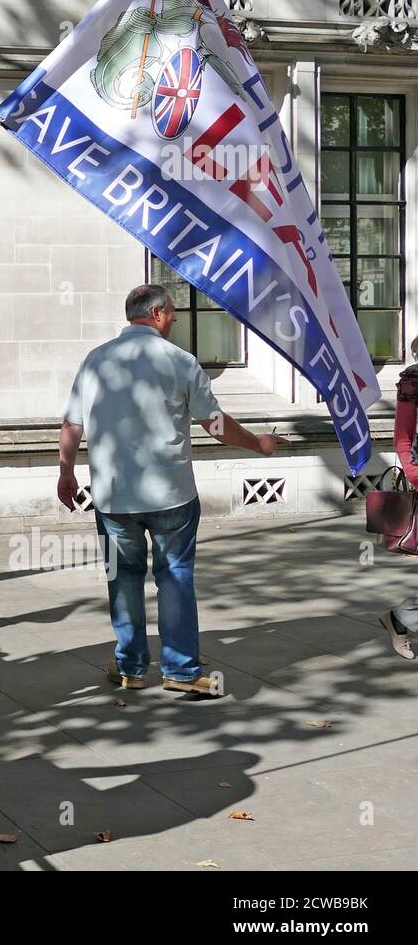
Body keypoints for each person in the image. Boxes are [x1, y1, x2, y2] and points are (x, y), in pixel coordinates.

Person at [58, 284, 278, 695]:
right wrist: (259, 444)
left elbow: (72, 425)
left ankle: (131, 668)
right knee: (175, 577)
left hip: (113, 495)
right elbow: (214, 424)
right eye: (173, 312)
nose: (176, 319)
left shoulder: (95, 361)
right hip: (170, 493)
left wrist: (66, 473)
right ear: (157, 314)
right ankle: (180, 671)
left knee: (122, 580)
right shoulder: (180, 361)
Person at [380, 337, 418, 659]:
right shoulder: (412, 383)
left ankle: (401, 617)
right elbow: (403, 436)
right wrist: (415, 474)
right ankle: (401, 618)